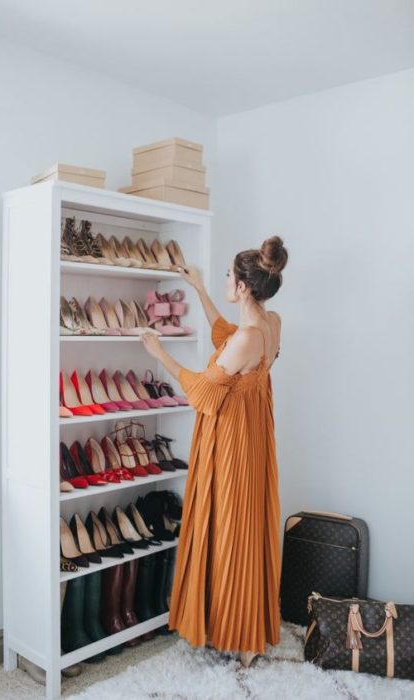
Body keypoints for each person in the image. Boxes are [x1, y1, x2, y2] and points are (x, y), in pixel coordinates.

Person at [140, 235, 288, 668]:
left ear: (242, 286)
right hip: (255, 435)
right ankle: (245, 631)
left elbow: (203, 389)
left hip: (234, 441)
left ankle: (241, 637)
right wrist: (201, 289)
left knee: (231, 526)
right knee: (246, 523)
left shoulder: (248, 337)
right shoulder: (271, 322)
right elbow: (227, 335)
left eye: (227, 276)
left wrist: (159, 353)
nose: (226, 280)